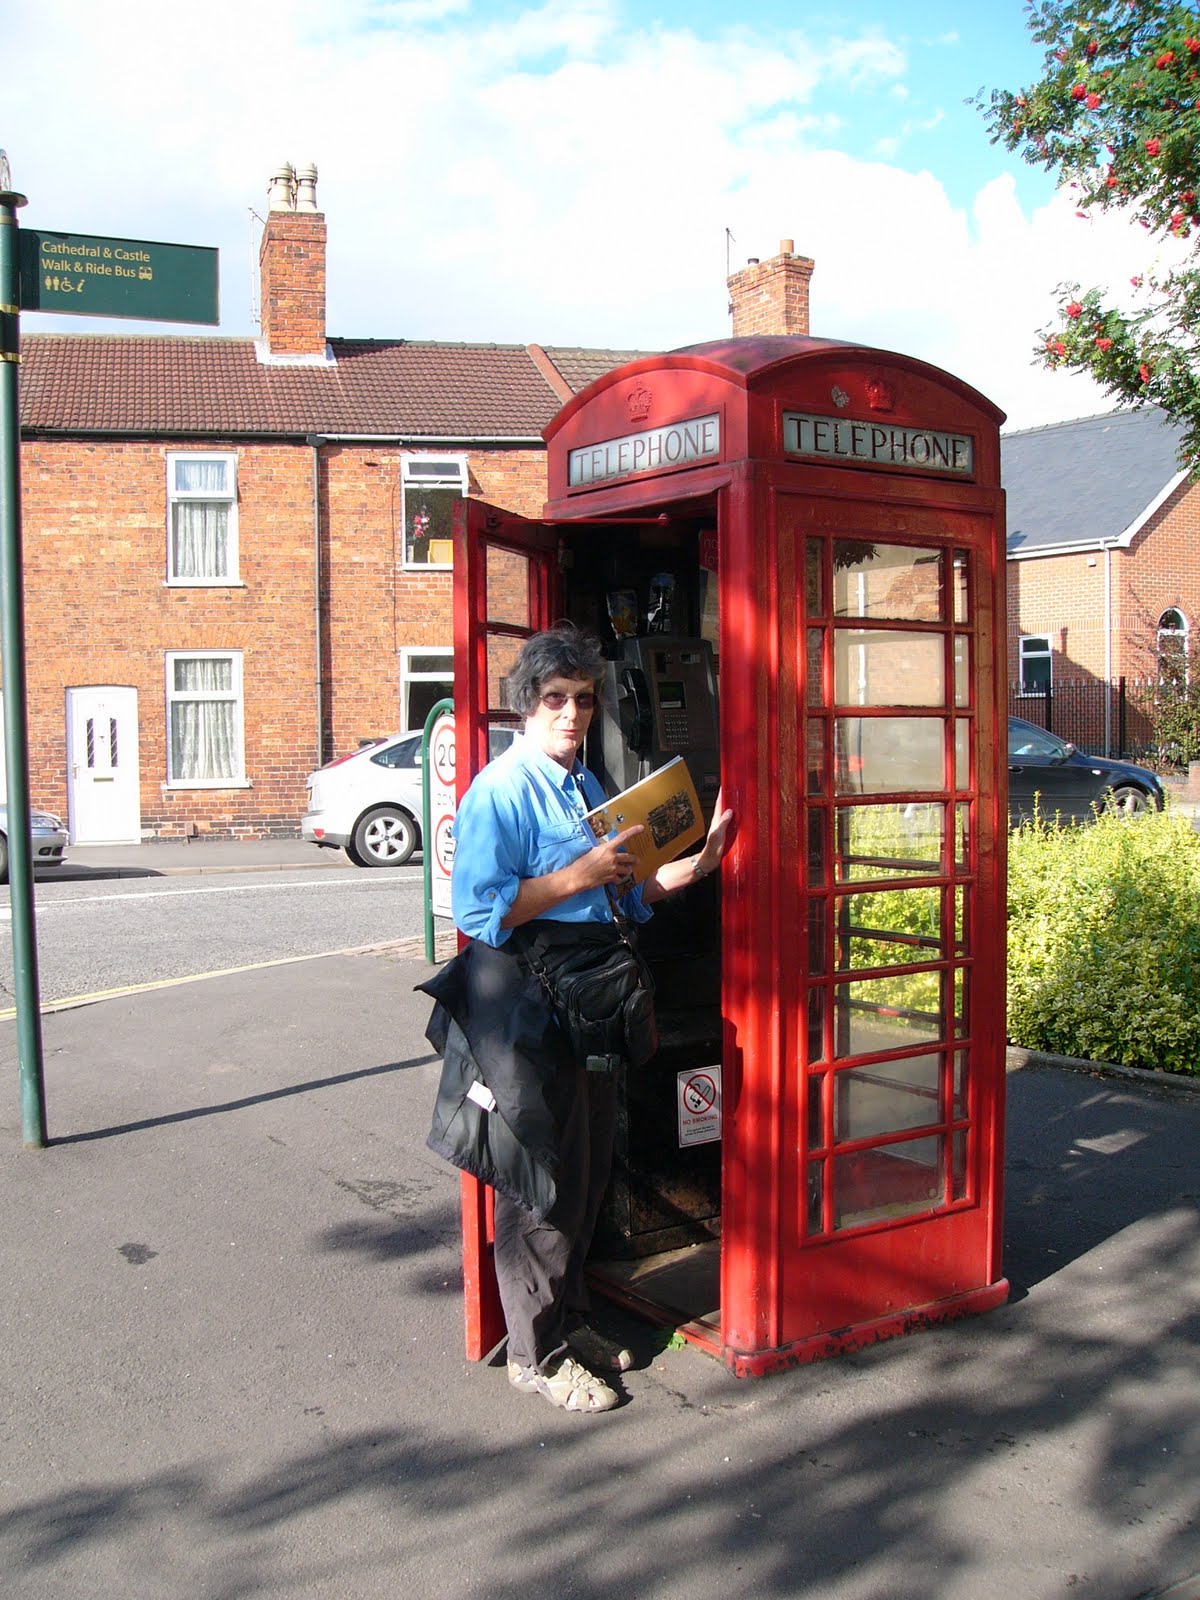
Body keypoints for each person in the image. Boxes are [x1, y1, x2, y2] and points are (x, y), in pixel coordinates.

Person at [422, 623, 732, 1414]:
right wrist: (577, 874)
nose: (571, 713)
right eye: (556, 698)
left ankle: (574, 1317)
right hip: (528, 1004)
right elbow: (481, 911)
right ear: (529, 704)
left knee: (591, 1169)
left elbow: (622, 897)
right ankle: (537, 1353)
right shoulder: (501, 789)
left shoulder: (589, 788)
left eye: (584, 700)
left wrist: (691, 870)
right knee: (540, 1180)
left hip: (591, 998)